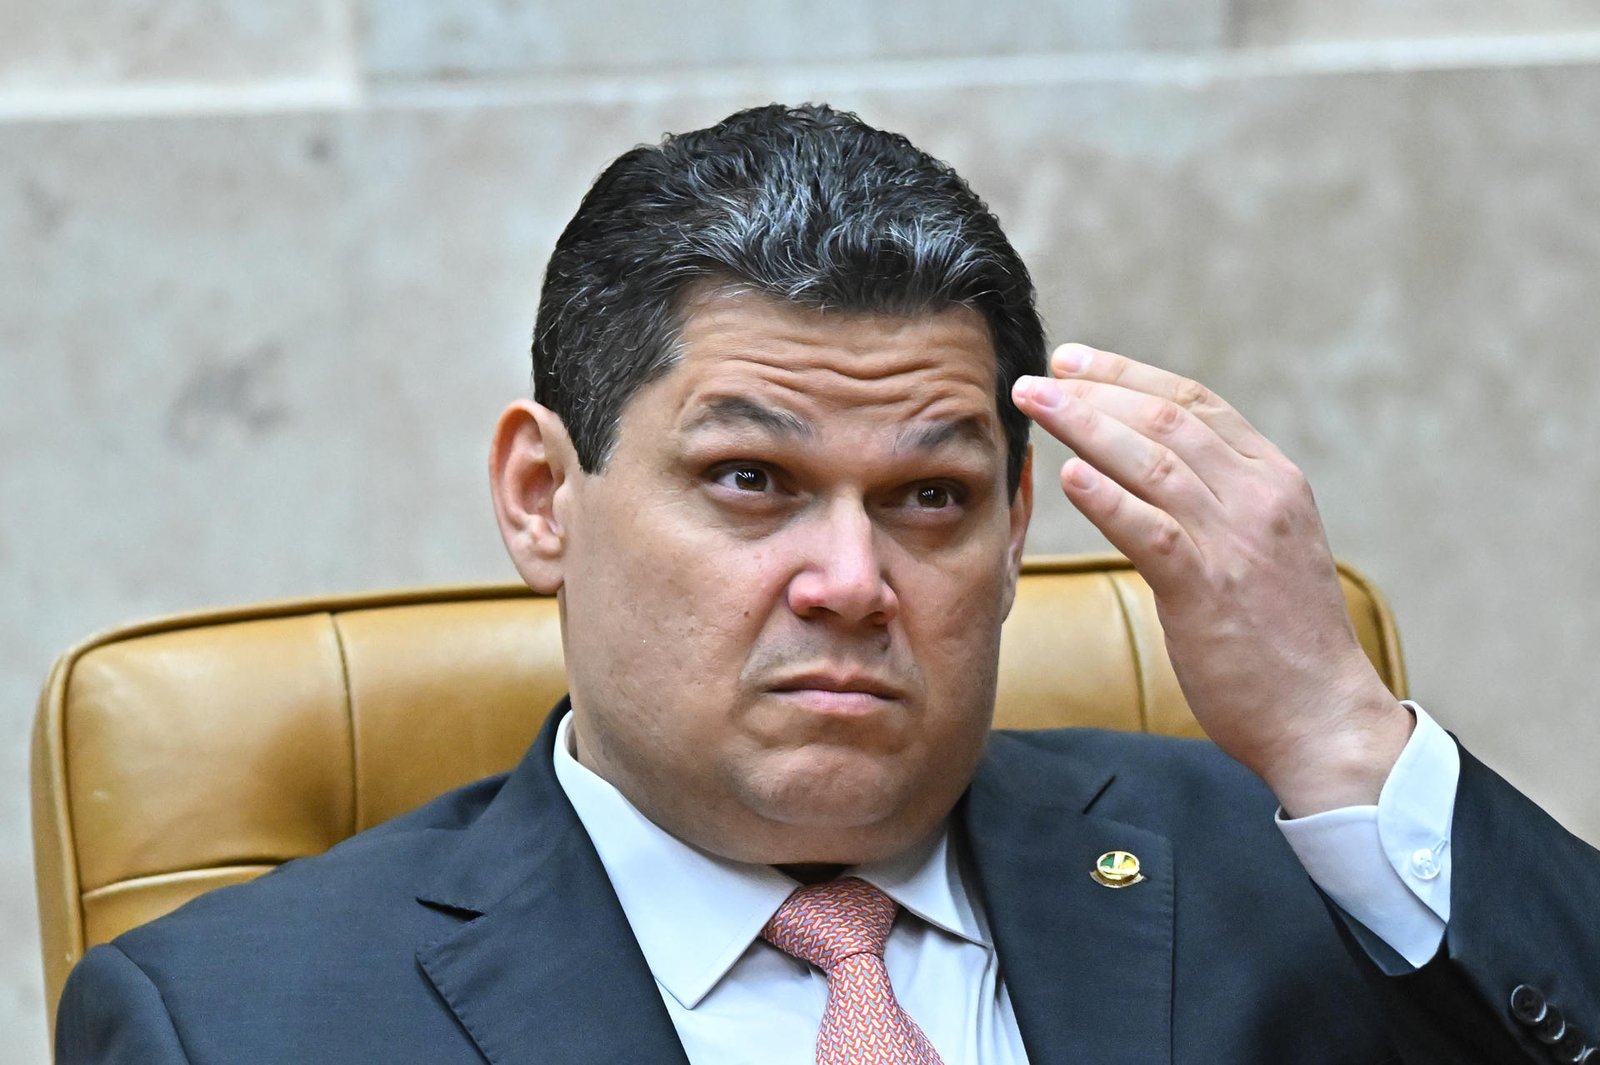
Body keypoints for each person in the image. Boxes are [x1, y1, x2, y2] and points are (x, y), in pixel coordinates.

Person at [56, 104, 1598, 1064]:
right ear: (542, 497)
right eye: (752, 480)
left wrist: (1339, 730)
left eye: (930, 497)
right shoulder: (236, 1021)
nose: (854, 581)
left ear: (1016, 527)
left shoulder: (1282, 863)